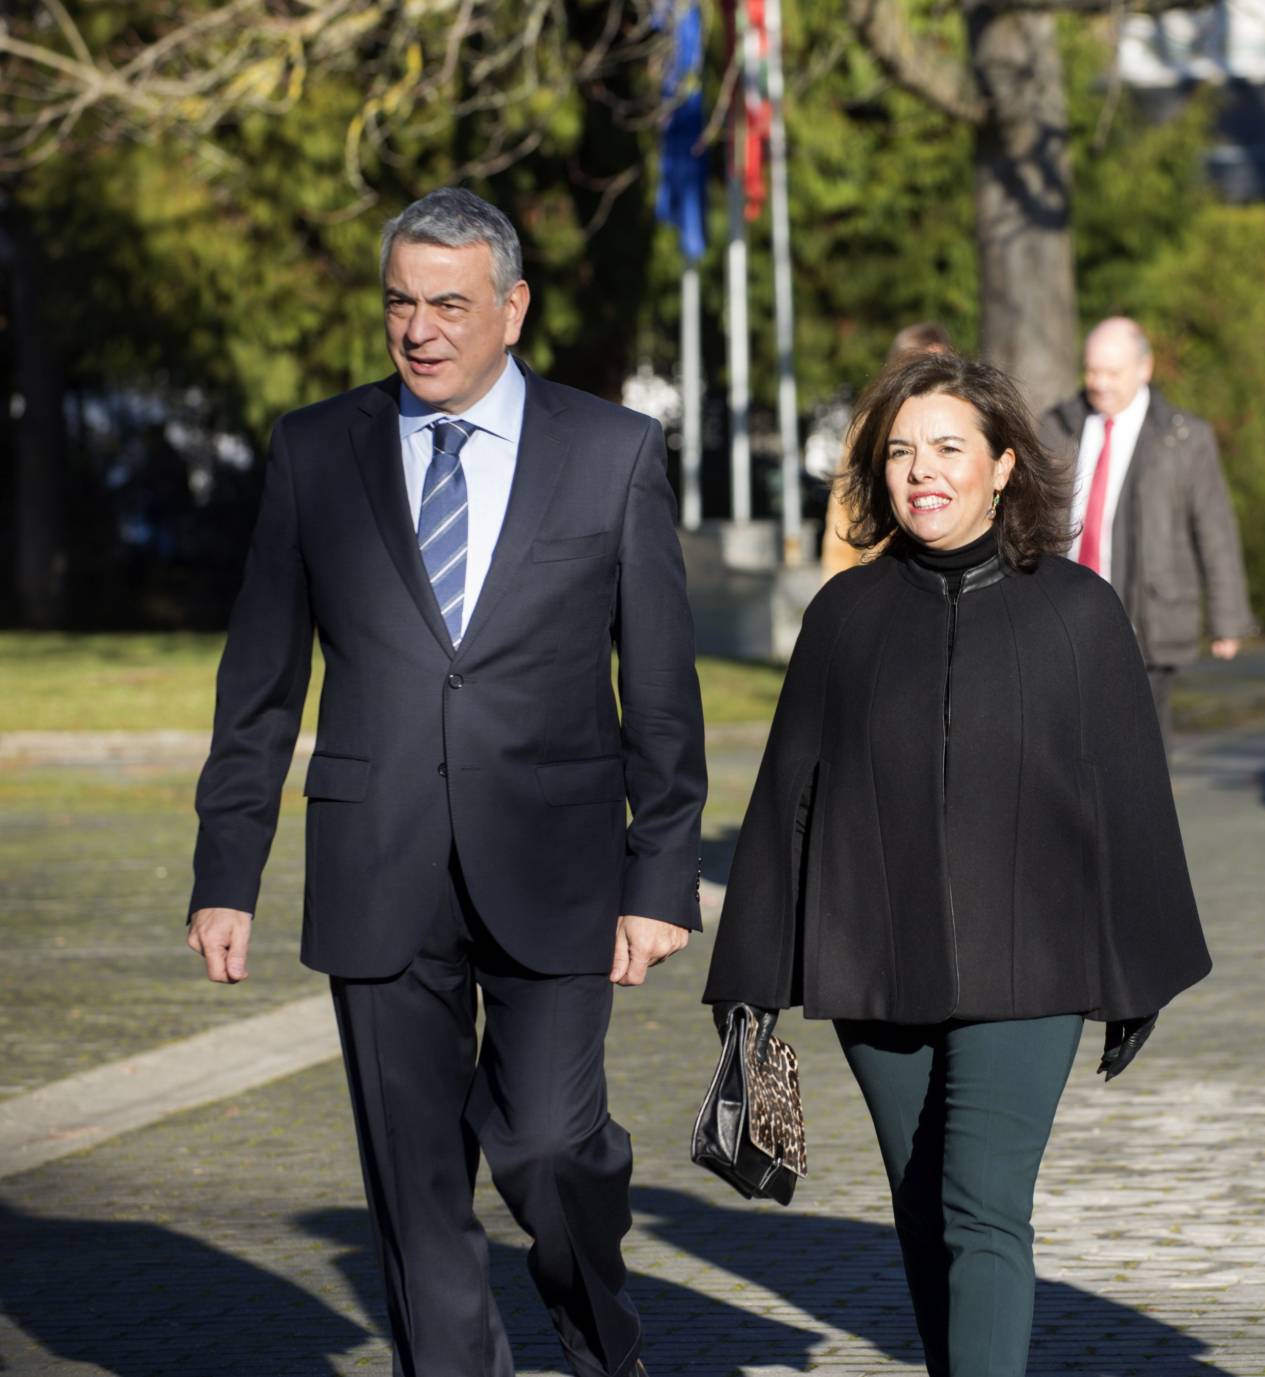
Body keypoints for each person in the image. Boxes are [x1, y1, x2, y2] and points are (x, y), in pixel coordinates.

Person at [185, 187, 704, 1377]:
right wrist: (228, 872)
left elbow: (664, 693)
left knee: (548, 1145)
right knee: (416, 1196)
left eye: (449, 305)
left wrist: (661, 876)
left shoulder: (611, 451)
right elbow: (259, 681)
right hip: (377, 863)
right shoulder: (316, 449)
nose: (419, 329)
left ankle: (602, 1342)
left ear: (512, 310)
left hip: (557, 862)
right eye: (400, 304)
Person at [704, 352, 1210, 1377]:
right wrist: (750, 979)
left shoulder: (1078, 612)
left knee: (984, 1210)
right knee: (925, 1213)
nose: (921, 471)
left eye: (947, 449)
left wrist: (1138, 971)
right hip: (874, 964)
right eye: (899, 452)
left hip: (1034, 966)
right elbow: (784, 798)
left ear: (1003, 464)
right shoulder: (843, 618)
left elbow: (1130, 800)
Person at [1037, 317, 1258, 741]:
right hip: (1067, 612)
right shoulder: (1058, 426)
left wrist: (1228, 619)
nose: (1098, 383)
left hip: (1148, 614)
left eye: (1112, 372)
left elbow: (1214, 526)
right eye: (1092, 370)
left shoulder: (1183, 436)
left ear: (1144, 369)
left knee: (1140, 741)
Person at [819, 320, 953, 577]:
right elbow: (843, 512)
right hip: (880, 574)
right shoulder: (868, 427)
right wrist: (835, 592)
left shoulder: (964, 422)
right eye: (900, 452)